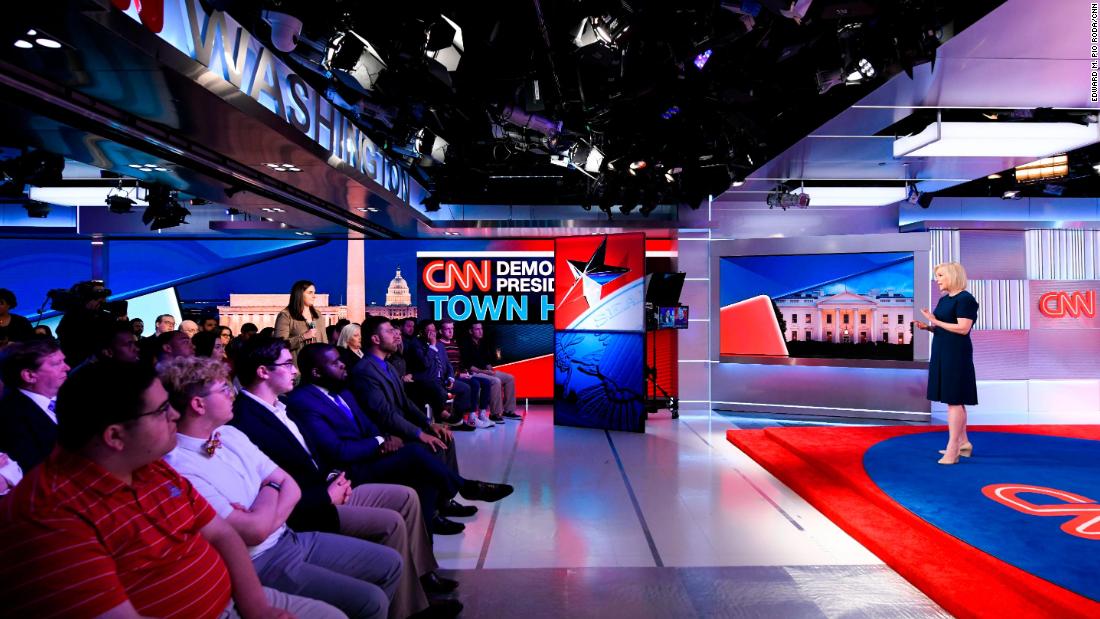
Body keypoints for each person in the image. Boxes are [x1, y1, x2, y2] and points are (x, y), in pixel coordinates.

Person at [0, 360, 343, 618]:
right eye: (162, 410)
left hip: (237, 600)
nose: (175, 416)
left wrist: (257, 608)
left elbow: (224, 535)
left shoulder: (149, 467)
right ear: (115, 436)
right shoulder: (52, 520)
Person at [160, 355, 402, 619]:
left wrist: (265, 498)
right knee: (370, 600)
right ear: (198, 404)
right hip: (259, 561)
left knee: (391, 564)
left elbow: (290, 487)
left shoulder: (230, 434)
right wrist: (272, 491)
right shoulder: (178, 466)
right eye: (224, 389)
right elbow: (255, 532)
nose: (233, 394)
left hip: (290, 537)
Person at [233, 339, 461, 618]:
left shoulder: (281, 406)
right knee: (403, 492)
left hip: (331, 482)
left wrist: (333, 477)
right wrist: (327, 492)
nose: (294, 370)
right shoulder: (247, 420)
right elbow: (284, 479)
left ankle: (419, 586)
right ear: (263, 372)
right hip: (309, 507)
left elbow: (314, 457)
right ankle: (410, 603)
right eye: (288, 364)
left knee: (409, 493)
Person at [916, 261, 979, 465]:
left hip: (956, 354)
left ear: (952, 276)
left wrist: (935, 321)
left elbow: (962, 329)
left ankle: (953, 450)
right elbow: (946, 327)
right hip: (942, 351)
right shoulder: (944, 300)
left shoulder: (966, 299)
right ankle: (964, 443)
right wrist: (929, 327)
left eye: (941, 275)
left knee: (955, 400)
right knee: (954, 400)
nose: (937, 280)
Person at [0, 339, 70, 471]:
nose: (67, 367)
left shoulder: (75, 393)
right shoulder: (10, 418)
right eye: (57, 364)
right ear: (29, 375)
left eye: (63, 361)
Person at [275, 280, 327, 362]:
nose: (314, 296)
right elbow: (279, 345)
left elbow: (324, 341)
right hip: (297, 368)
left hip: (318, 366)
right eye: (310, 292)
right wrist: (303, 337)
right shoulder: (285, 315)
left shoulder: (318, 315)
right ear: (299, 294)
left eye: (314, 292)